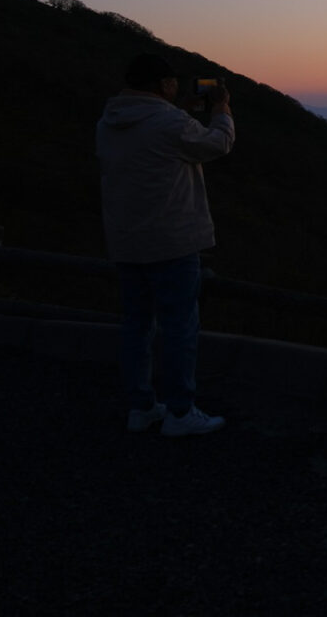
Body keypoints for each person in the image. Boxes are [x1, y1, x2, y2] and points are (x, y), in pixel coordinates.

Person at [96, 53, 235, 436]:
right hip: (172, 240)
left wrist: (181, 110)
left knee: (136, 326)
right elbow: (218, 143)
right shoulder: (171, 122)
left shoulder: (107, 123)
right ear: (163, 84)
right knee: (179, 327)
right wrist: (220, 109)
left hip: (126, 239)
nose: (177, 86)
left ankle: (140, 407)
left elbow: (153, 142)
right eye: (173, 81)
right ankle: (180, 412)